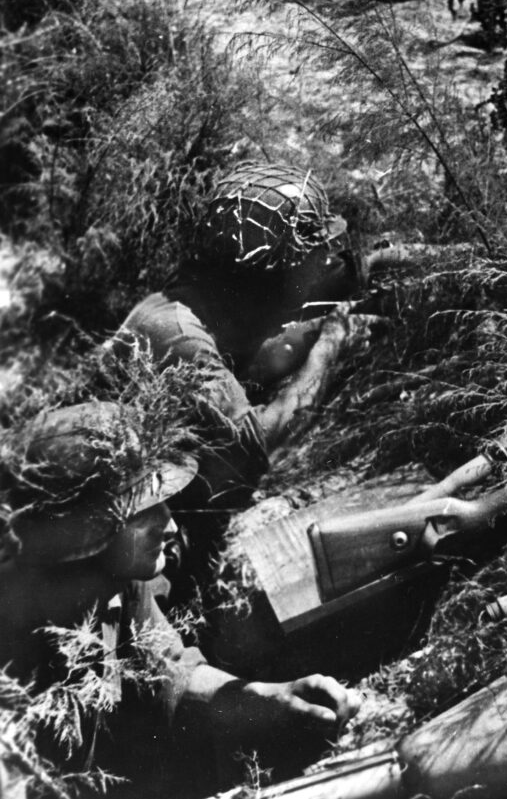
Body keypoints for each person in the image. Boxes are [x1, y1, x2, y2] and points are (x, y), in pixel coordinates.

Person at [0, 401, 359, 798]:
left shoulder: (114, 580)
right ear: (83, 535)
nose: (169, 524)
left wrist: (269, 698)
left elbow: (166, 670)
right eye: (143, 512)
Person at [107, 163, 365, 598]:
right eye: (314, 255)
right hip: (123, 556)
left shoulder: (195, 301)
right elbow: (257, 442)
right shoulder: (180, 334)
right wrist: (329, 347)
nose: (325, 262)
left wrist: (303, 341)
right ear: (274, 270)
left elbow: (252, 359)